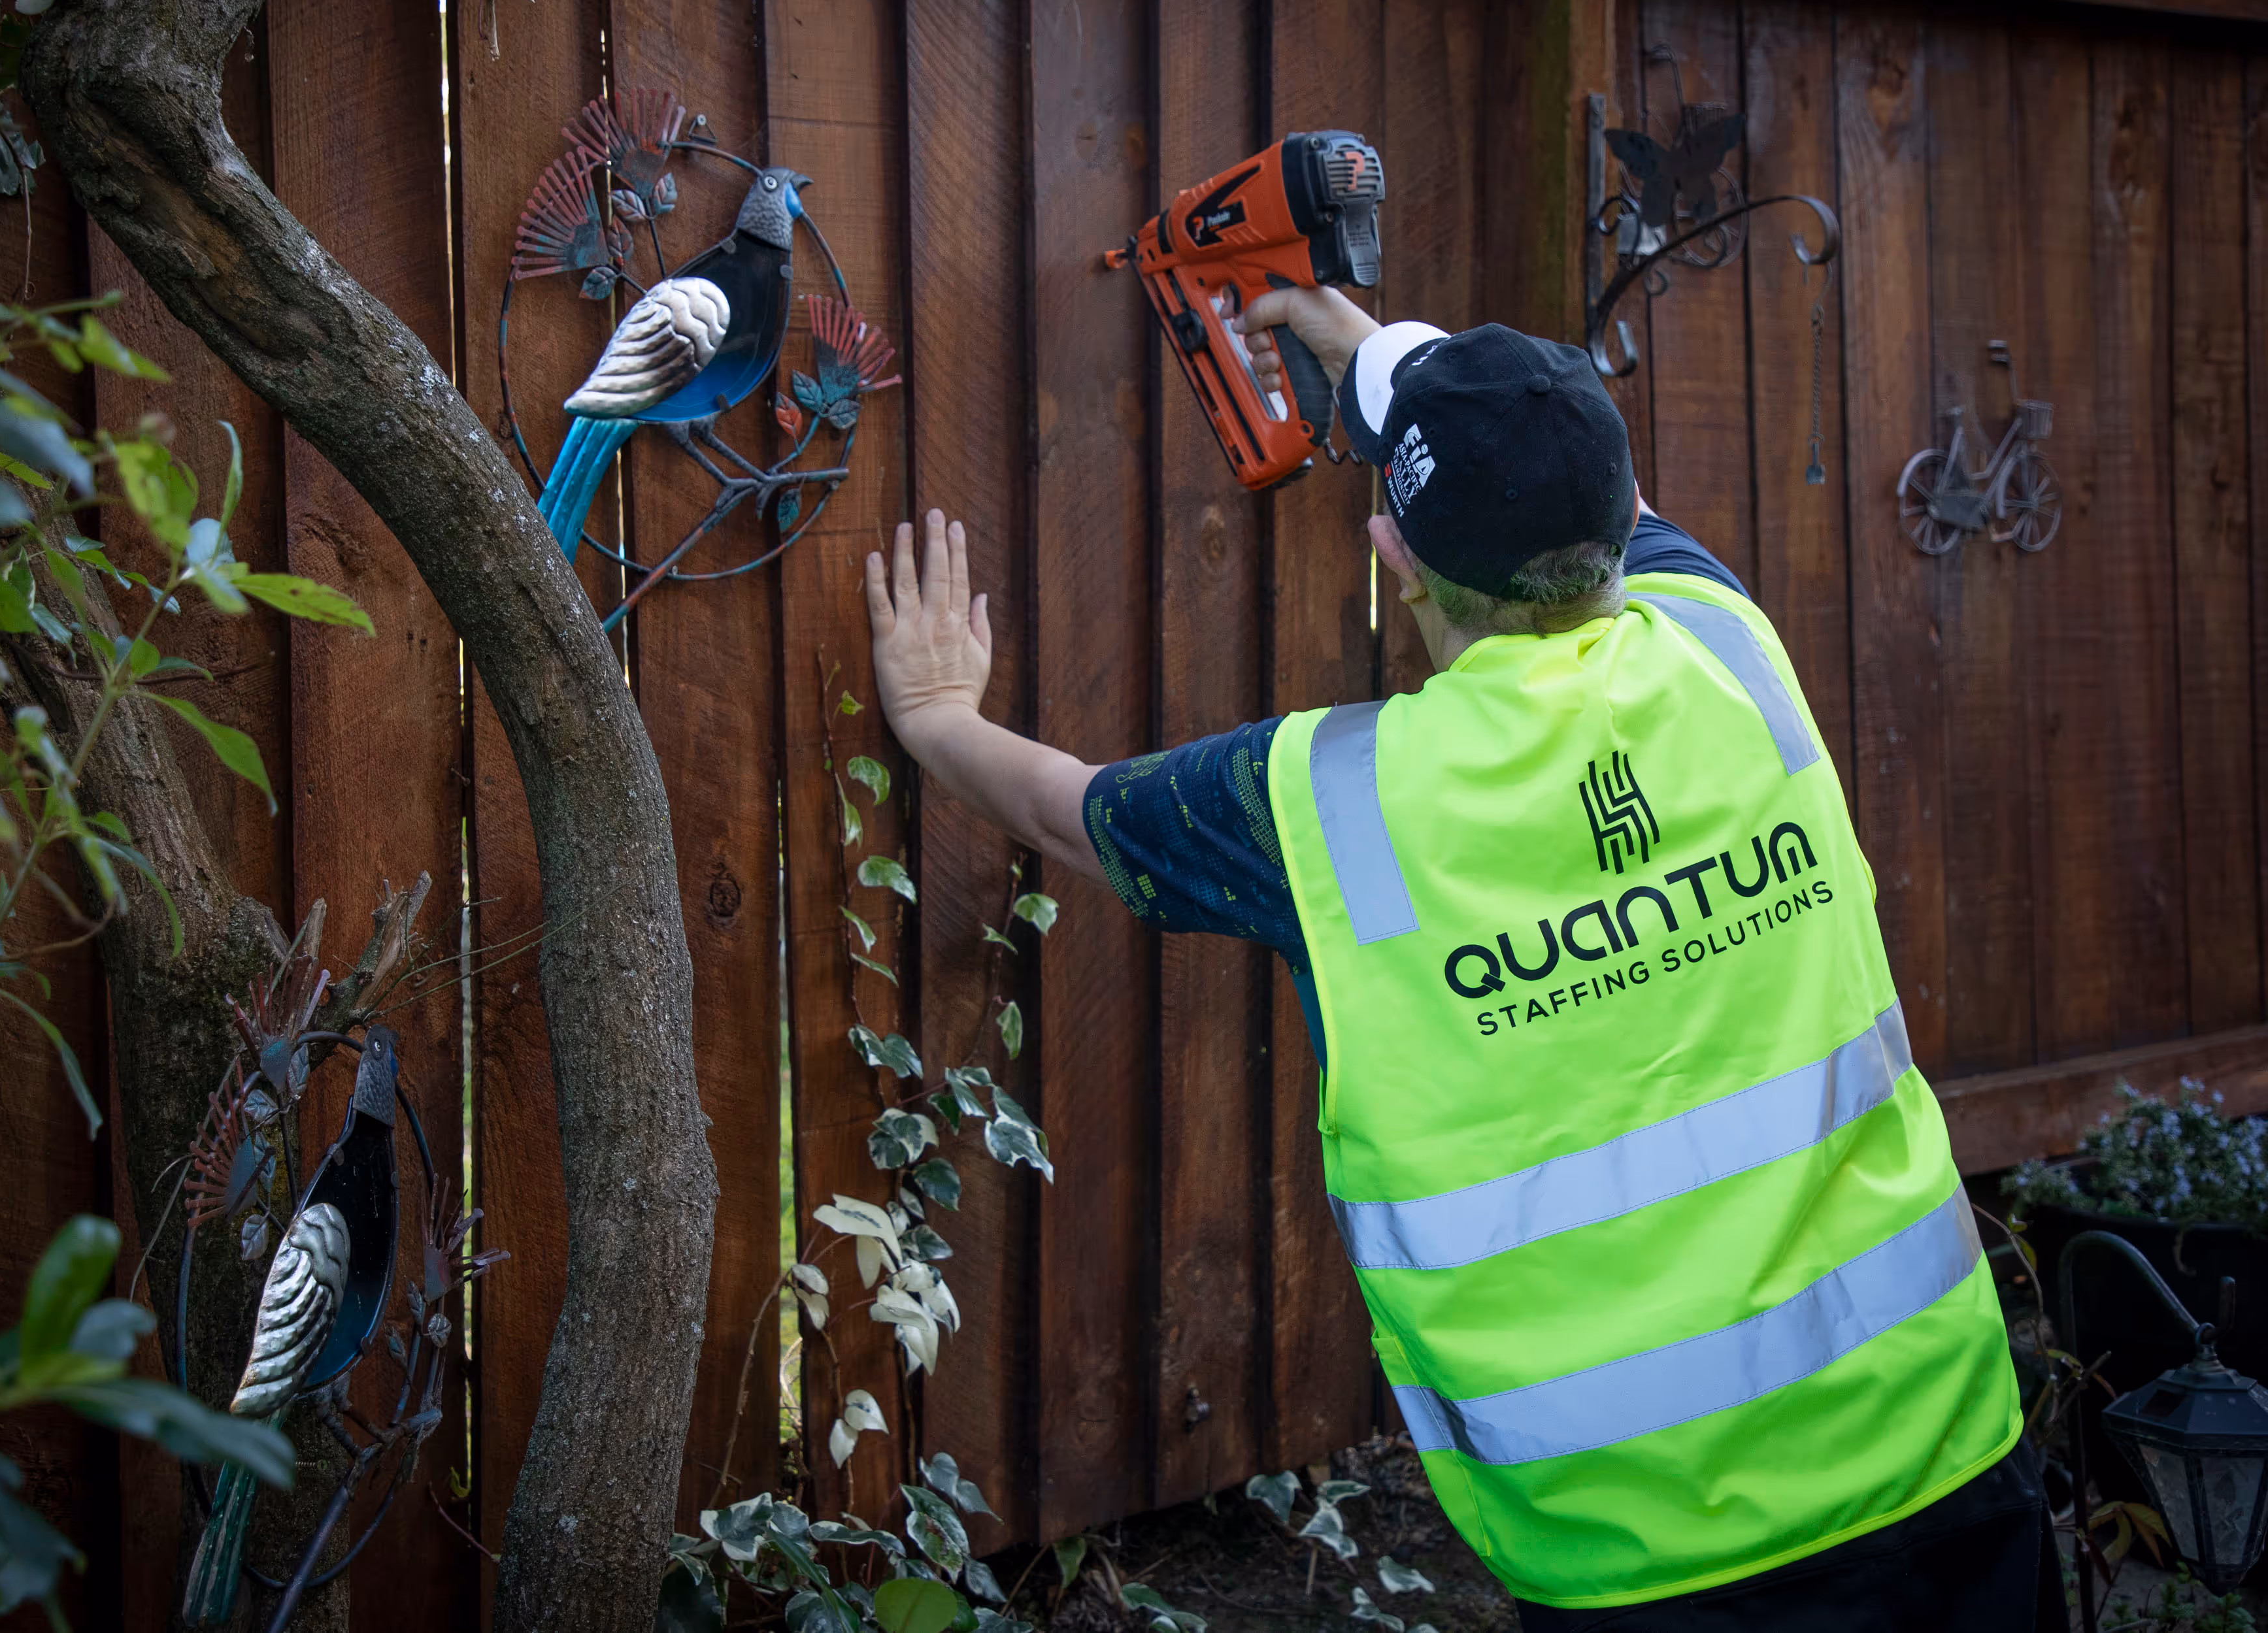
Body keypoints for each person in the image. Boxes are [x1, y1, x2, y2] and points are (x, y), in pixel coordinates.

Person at [863, 285, 2056, 1631]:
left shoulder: (1325, 801)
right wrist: (1382, 350)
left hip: (1640, 1550)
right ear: (1622, 518)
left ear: (1393, 557)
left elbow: (1063, 811)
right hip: (1944, 1458)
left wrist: (932, 712)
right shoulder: (1725, 646)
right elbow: (1595, 488)